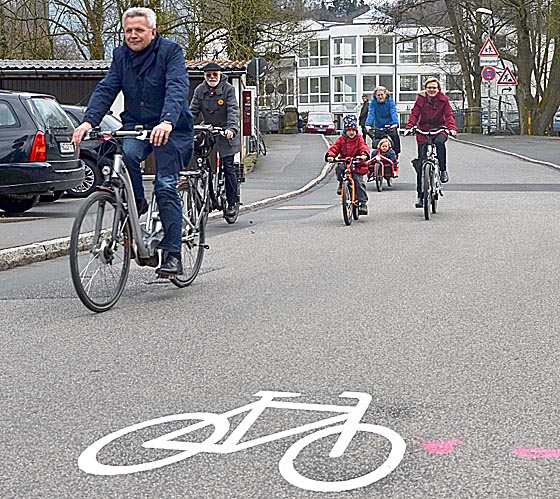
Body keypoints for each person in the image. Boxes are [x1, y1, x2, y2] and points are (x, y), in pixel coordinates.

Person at [72, 7, 194, 276]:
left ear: (153, 31)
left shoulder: (170, 52)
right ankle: (137, 201)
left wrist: (168, 121)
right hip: (136, 125)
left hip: (170, 127)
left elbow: (177, 86)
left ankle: (173, 253)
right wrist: (88, 121)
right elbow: (107, 87)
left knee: (164, 186)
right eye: (128, 30)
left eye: (139, 30)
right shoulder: (120, 56)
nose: (133, 35)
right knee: (126, 154)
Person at [190, 62, 240, 218]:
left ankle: (232, 202)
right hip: (209, 129)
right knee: (201, 159)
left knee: (228, 166)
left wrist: (231, 129)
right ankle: (207, 189)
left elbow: (233, 110)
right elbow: (193, 111)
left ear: (219, 75)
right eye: (208, 75)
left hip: (226, 130)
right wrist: (184, 127)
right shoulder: (200, 90)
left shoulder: (228, 90)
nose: (211, 77)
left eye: (214, 74)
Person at [404, 76, 458, 208]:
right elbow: (414, 114)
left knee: (440, 143)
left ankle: (443, 170)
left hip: (439, 128)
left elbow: (449, 115)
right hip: (423, 130)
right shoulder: (421, 99)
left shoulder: (443, 100)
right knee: (422, 164)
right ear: (425, 88)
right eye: (429, 87)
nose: (431, 90)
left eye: (434, 88)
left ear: (438, 89)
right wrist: (409, 127)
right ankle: (421, 196)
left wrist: (451, 128)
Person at [325, 114, 370, 215]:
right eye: (349, 130)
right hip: (345, 162)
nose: (351, 132)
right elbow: (335, 148)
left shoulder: (359, 139)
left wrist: (364, 155)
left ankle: (363, 203)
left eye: (353, 130)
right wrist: (330, 156)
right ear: (345, 130)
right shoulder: (341, 139)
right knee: (339, 168)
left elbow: (364, 147)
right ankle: (341, 184)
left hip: (357, 163)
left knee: (359, 183)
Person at [364, 86, 401, 157]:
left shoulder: (390, 102)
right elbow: (371, 113)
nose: (380, 97)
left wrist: (395, 123)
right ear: (375, 96)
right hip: (379, 126)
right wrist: (368, 124)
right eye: (378, 95)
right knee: (376, 145)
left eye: (382, 95)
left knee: (395, 140)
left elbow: (393, 112)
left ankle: (395, 157)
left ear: (385, 94)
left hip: (390, 126)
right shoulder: (373, 103)